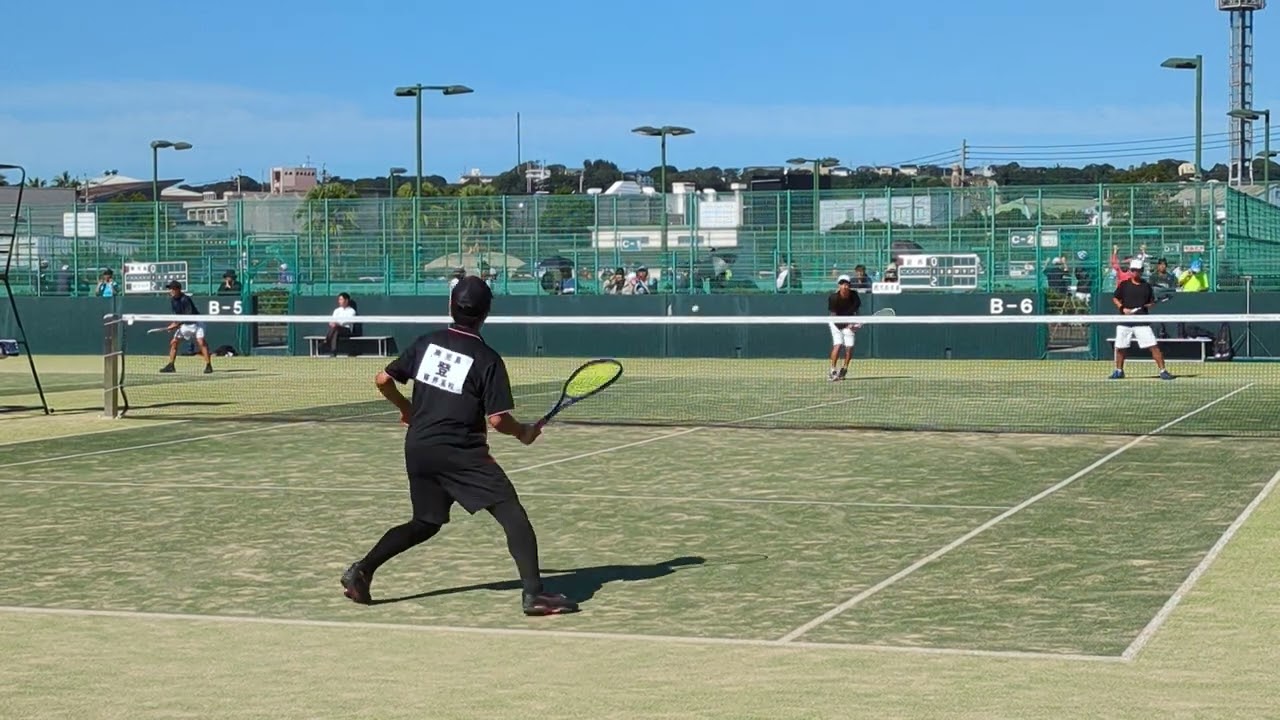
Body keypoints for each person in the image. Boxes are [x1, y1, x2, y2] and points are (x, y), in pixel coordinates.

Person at [340, 276, 578, 617]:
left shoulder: (427, 343)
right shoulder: (487, 359)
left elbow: (382, 379)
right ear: (487, 313)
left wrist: (406, 409)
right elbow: (497, 420)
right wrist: (523, 432)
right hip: (460, 452)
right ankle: (534, 595)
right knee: (511, 512)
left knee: (426, 521)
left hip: (419, 447)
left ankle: (362, 570)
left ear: (450, 306)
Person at [1111, 259, 1173, 381]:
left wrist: (1151, 304)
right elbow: (1115, 298)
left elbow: (1150, 303)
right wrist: (1123, 308)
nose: (1135, 273)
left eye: (1138, 270)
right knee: (1120, 347)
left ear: (1142, 271)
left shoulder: (1146, 286)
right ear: (1130, 271)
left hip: (1142, 322)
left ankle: (1163, 371)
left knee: (1153, 346)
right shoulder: (1124, 285)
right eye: (1133, 270)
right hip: (1125, 322)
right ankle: (1119, 371)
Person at [160, 281, 212, 374]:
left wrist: (176, 325)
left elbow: (189, 316)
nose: (170, 291)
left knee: (201, 342)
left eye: (172, 289)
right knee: (174, 343)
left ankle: (208, 365)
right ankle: (171, 365)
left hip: (197, 322)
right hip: (185, 324)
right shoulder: (173, 300)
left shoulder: (185, 299)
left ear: (178, 290)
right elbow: (178, 316)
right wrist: (174, 324)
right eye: (170, 289)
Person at [827, 274, 862, 381]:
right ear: (839, 286)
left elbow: (856, 310)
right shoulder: (833, 298)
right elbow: (834, 316)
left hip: (849, 322)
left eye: (846, 284)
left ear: (849, 286)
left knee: (849, 347)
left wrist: (856, 322)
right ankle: (832, 370)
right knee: (838, 345)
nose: (844, 286)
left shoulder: (854, 296)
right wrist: (847, 325)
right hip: (835, 323)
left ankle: (844, 368)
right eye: (842, 284)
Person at [321, 292, 357, 357]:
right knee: (336, 331)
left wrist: (337, 323)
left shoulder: (352, 311)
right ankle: (333, 352)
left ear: (346, 300)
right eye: (339, 300)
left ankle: (326, 341)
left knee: (336, 329)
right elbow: (332, 320)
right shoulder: (336, 310)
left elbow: (347, 322)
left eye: (341, 299)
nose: (339, 301)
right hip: (336, 329)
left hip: (347, 330)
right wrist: (333, 323)